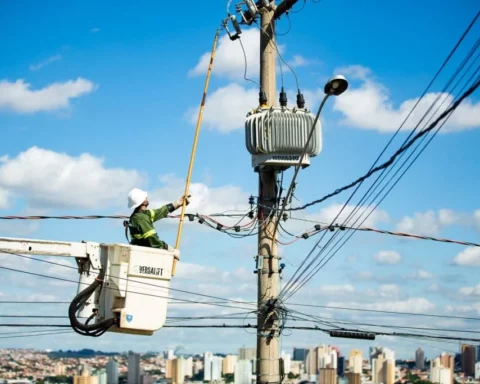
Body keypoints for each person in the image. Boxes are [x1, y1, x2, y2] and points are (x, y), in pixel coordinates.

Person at [125, 188, 191, 256]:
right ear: (143, 202)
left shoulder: (142, 215)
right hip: (145, 255)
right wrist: (170, 250)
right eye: (145, 197)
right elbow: (153, 239)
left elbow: (160, 212)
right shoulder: (141, 218)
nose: (147, 198)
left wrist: (178, 202)